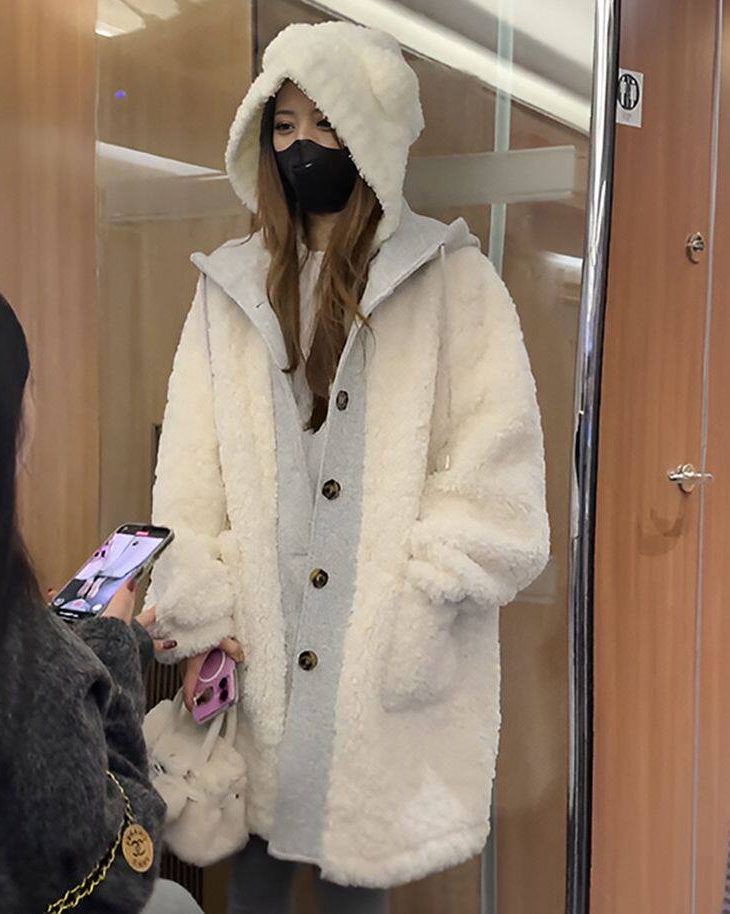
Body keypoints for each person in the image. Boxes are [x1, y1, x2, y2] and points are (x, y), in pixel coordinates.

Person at [148, 20, 550, 914]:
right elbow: (188, 471)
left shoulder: (451, 282)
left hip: (375, 666)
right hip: (255, 656)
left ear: (369, 132)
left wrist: (418, 607)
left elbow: (498, 478)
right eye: (283, 125)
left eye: (325, 122)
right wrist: (201, 604)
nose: (302, 146)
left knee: (353, 887)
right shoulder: (230, 289)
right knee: (250, 878)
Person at [0, 277, 203, 914]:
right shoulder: (33, 666)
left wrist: (94, 645)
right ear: (9, 421)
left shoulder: (36, 650)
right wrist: (105, 651)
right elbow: (118, 864)